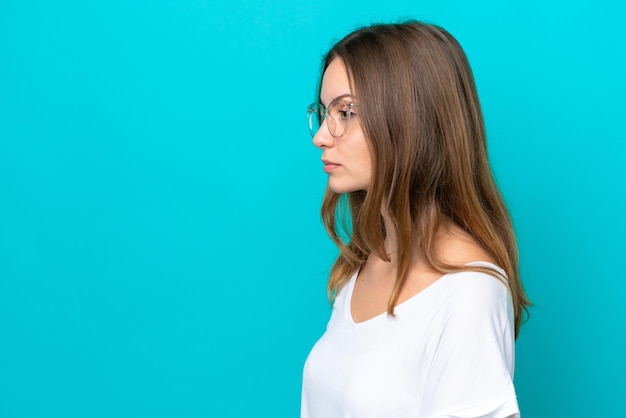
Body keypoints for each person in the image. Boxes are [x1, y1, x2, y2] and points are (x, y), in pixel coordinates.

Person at [301, 21, 530, 418]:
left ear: (411, 119)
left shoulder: (469, 291)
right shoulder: (365, 263)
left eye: (346, 111)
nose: (321, 135)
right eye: (324, 112)